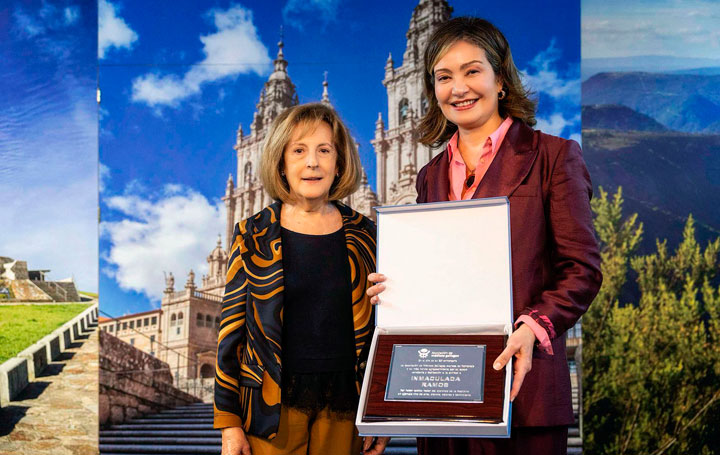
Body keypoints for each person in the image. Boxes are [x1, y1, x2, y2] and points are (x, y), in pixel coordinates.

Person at [367, 17, 602, 455]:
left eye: (472, 71)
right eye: (443, 77)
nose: (458, 88)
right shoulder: (428, 177)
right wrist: (395, 288)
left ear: (501, 80)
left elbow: (582, 270)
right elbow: (439, 275)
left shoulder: (554, 156)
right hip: (441, 398)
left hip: (523, 393)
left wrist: (535, 326)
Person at [214, 103, 389, 455]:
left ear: (339, 163)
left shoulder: (367, 234)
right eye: (299, 150)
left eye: (324, 150)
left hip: (345, 407)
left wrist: (382, 414)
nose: (312, 162)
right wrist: (229, 423)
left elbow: (381, 330)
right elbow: (230, 333)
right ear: (281, 161)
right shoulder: (251, 234)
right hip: (268, 409)